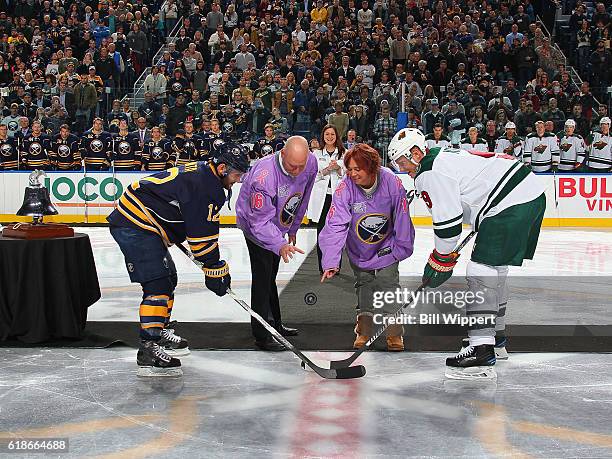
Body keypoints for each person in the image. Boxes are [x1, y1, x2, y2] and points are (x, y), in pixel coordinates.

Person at [388, 128, 546, 380]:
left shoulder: (429, 172)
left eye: (403, 162)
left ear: (416, 153)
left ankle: (481, 350)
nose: (402, 169)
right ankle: (496, 339)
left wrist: (439, 260)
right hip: (528, 194)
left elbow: (449, 226)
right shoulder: (440, 157)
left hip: (509, 201)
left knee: (480, 270)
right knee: (495, 269)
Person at [107, 142, 250, 377]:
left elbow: (185, 214)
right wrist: (215, 268)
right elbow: (202, 241)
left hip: (146, 223)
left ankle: (159, 329)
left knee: (169, 278)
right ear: (223, 168)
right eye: (236, 174)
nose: (237, 179)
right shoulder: (207, 187)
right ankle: (148, 348)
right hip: (134, 224)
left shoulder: (206, 174)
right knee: (158, 284)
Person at [320, 143, 415, 351]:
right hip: (359, 247)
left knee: (388, 282)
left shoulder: (391, 181)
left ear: (372, 167)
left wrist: (400, 249)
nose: (353, 174)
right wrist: (330, 260)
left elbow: (402, 217)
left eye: (358, 169)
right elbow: (335, 224)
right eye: (349, 169)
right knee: (364, 283)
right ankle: (364, 330)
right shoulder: (345, 188)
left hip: (386, 245)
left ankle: (394, 333)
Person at [236, 136, 317, 351]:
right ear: (282, 154)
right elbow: (259, 221)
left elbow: (303, 196)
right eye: (293, 165)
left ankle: (275, 324)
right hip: (254, 226)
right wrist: (279, 244)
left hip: (280, 224)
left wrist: (293, 227)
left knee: (271, 274)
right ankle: (262, 334)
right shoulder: (264, 177)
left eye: (302, 165)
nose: (298, 171)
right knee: (263, 277)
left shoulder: (310, 163)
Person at [307, 125, 346, 273]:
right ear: (323, 136)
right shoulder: (316, 154)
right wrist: (326, 170)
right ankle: (323, 266)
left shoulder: (344, 153)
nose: (330, 137)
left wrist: (338, 169)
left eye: (332, 134)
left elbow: (348, 175)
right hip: (322, 199)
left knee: (337, 232)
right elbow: (312, 176)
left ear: (337, 136)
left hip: (338, 199)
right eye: (327, 134)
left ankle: (335, 265)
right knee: (322, 232)